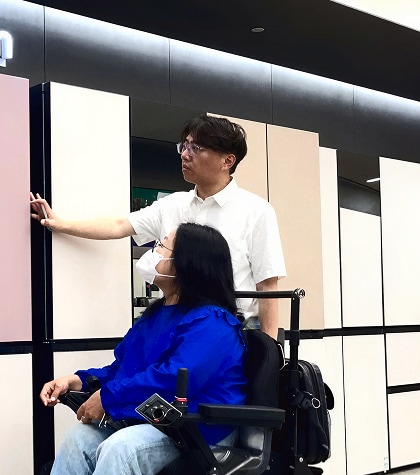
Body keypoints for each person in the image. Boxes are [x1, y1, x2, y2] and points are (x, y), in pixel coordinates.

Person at [30, 114, 286, 337]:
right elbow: (120, 225)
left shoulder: (256, 211)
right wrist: (60, 224)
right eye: (184, 145)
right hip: (175, 328)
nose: (185, 154)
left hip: (230, 334)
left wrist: (270, 351)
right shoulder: (173, 205)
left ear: (227, 161)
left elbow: (267, 285)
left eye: (196, 148)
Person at [41, 222, 246, 475]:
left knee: (121, 449)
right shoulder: (156, 315)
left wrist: (108, 398)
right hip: (156, 422)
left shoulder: (214, 323)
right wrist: (78, 381)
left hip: (197, 431)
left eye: (162, 246)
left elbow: (172, 379)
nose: (154, 252)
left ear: (186, 262)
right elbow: (123, 369)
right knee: (78, 437)